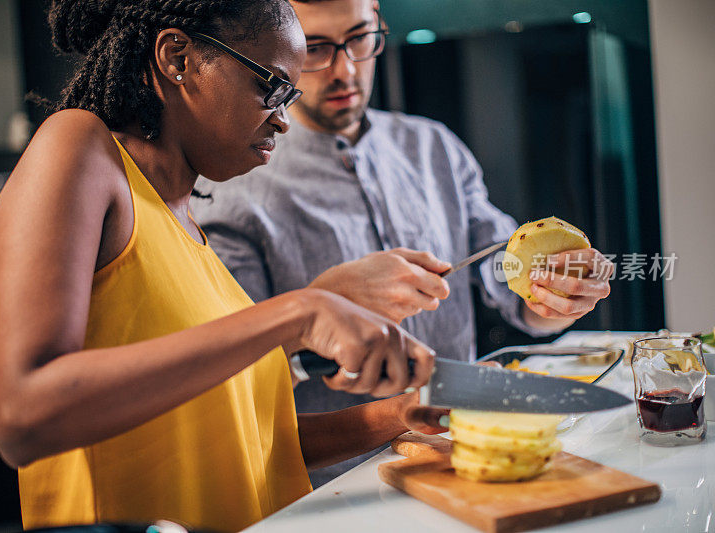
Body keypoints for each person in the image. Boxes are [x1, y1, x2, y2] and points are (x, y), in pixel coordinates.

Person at [0, 1, 449, 531]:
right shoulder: (80, 148)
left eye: (291, 96)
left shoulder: (188, 226)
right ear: (176, 56)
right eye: (270, 87)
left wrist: (397, 416)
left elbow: (238, 441)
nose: (283, 119)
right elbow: (23, 417)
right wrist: (300, 313)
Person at [191, 0, 613, 486]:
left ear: (379, 25)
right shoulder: (230, 187)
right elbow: (231, 370)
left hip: (472, 459)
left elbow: (499, 266)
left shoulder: (435, 148)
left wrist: (554, 294)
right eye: (316, 49)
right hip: (335, 488)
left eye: (360, 39)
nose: (345, 70)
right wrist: (319, 305)